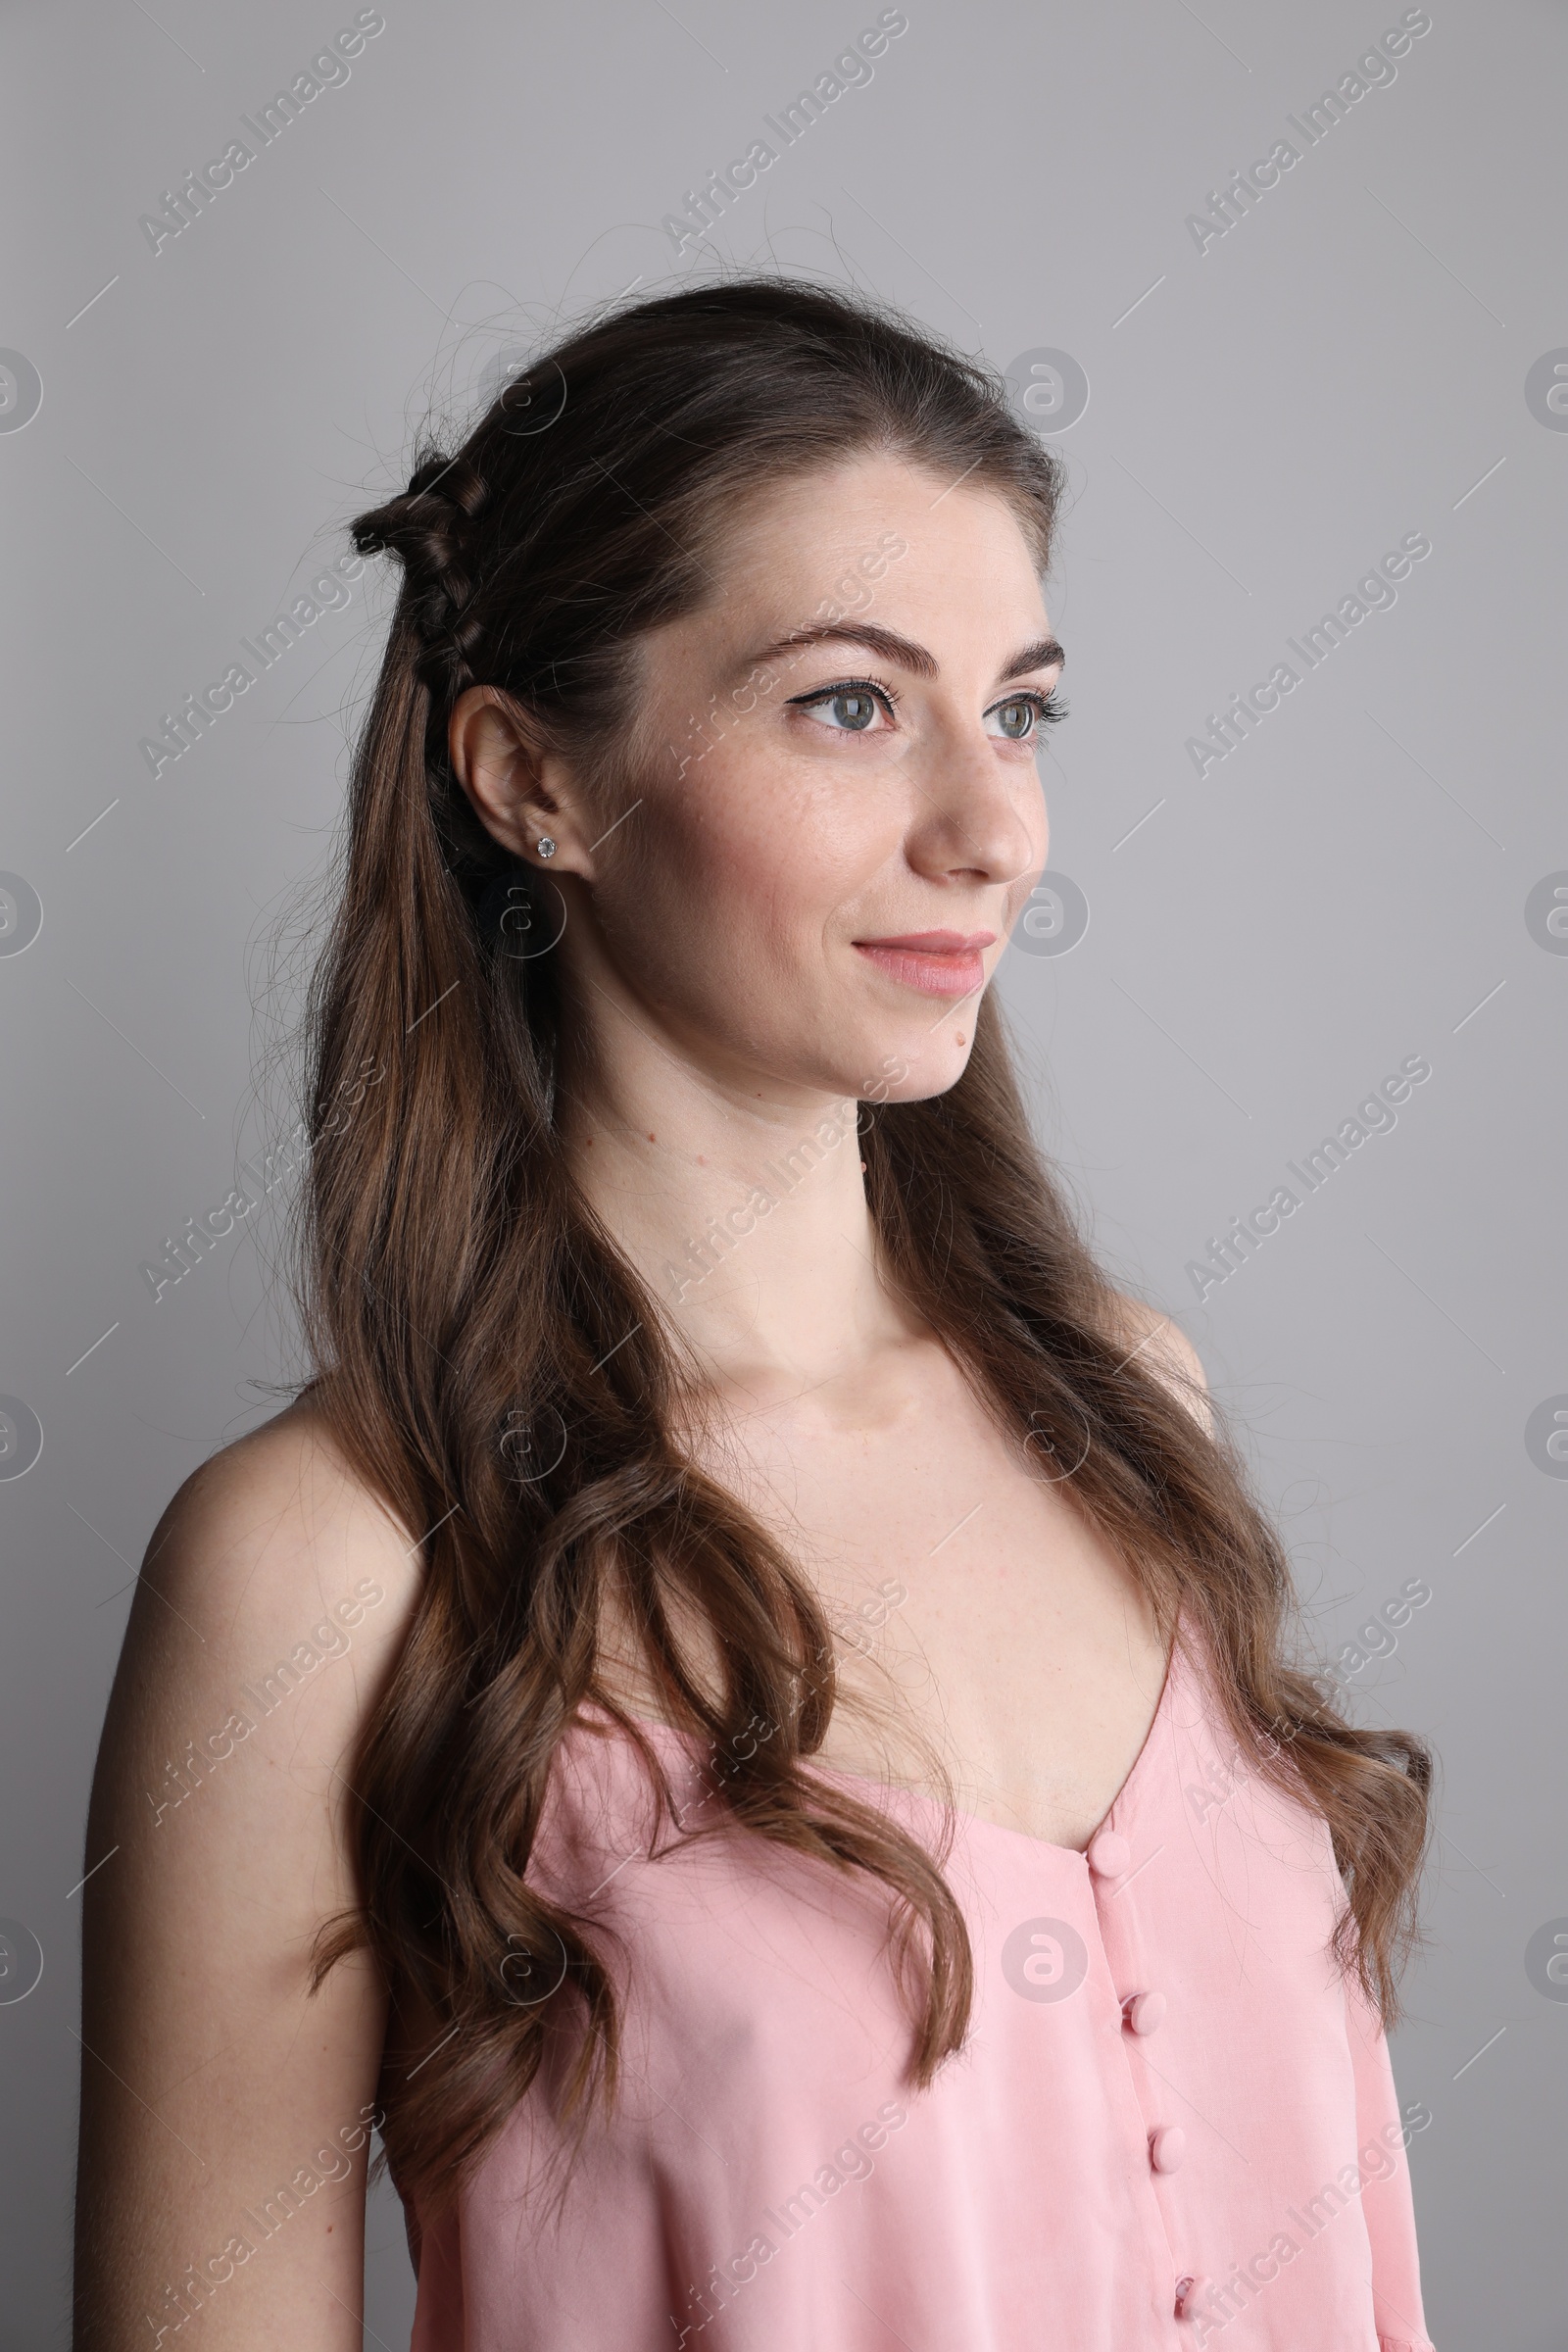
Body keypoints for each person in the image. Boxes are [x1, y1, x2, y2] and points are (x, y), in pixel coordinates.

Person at [74, 278, 1437, 2351]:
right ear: (533, 781)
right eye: (848, 705)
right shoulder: (324, 1570)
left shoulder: (1129, 1407)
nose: (994, 831)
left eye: (1020, 708)